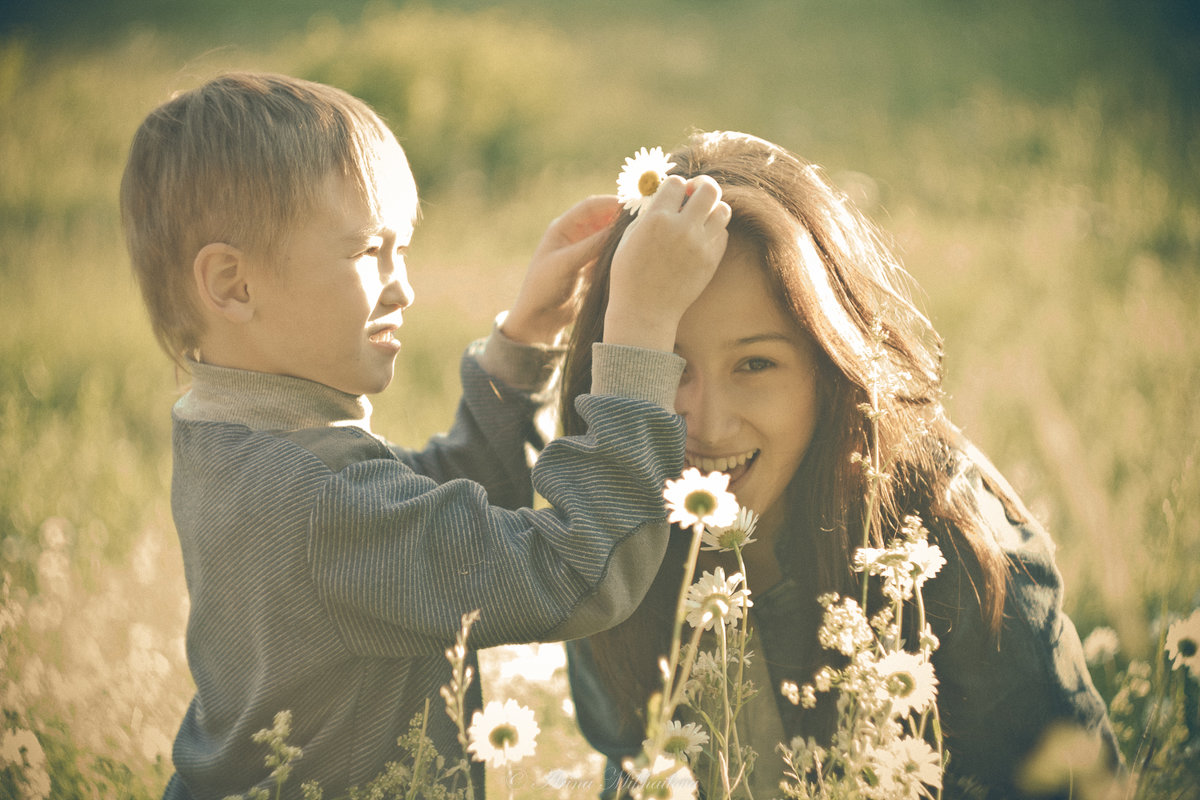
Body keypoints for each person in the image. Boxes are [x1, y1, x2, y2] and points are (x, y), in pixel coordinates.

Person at [119, 72, 731, 800]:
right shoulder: (318, 498)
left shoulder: (236, 440)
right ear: (232, 284)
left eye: (401, 248)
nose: (401, 285)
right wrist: (639, 334)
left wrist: (527, 339)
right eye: (369, 250)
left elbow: (431, 517)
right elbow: (572, 570)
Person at [563, 131, 1119, 799]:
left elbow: (1074, 786)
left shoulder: (951, 541)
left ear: (829, 370)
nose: (707, 425)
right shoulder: (608, 534)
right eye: (670, 366)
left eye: (755, 364)